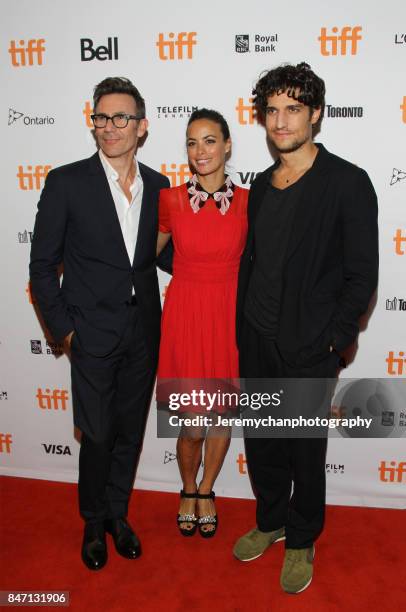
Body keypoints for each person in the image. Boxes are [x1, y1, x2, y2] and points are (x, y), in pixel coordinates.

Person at [233, 63, 378, 593]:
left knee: (303, 447)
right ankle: (270, 521)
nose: (281, 120)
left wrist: (336, 340)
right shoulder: (261, 184)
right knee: (264, 442)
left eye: (293, 108)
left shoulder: (347, 181)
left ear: (315, 114)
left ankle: (300, 538)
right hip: (256, 336)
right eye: (272, 110)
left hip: (310, 343)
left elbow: (362, 272)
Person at [30, 77, 170, 570]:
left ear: (142, 126)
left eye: (122, 118)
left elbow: (167, 254)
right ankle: (92, 521)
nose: (111, 127)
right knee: (98, 432)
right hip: (90, 334)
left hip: (143, 333)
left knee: (130, 431)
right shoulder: (66, 182)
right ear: (93, 123)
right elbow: (42, 268)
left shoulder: (159, 186)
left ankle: (117, 514)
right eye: (102, 117)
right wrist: (66, 332)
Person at [156, 109, 248, 537]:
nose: (200, 150)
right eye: (192, 142)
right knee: (193, 422)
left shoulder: (250, 201)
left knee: (221, 417)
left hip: (229, 314)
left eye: (210, 140)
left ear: (227, 145)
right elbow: (139, 259)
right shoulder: (171, 200)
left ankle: (207, 490)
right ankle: (187, 487)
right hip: (187, 315)